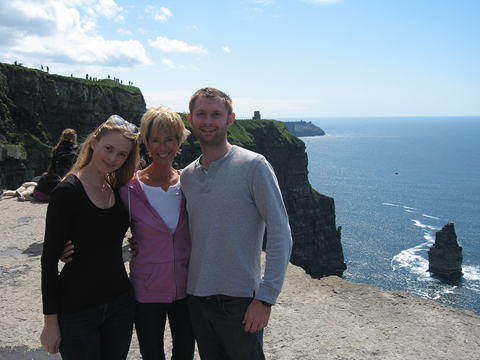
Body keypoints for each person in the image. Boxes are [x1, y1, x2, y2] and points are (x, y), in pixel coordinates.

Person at [181, 87, 293, 360]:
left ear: (230, 119)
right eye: (201, 114)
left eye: (216, 114)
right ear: (190, 119)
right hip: (196, 299)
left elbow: (280, 233)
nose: (208, 121)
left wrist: (266, 298)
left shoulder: (254, 166)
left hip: (241, 304)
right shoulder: (187, 177)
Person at [40, 115, 139, 359]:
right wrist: (50, 323)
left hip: (121, 303)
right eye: (109, 148)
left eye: (121, 154)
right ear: (93, 142)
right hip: (77, 309)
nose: (113, 158)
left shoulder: (116, 188)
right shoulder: (67, 192)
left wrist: (140, 243)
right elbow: (49, 260)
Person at [118, 105, 195, 360]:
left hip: (187, 287)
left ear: (178, 141)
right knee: (152, 355)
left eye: (169, 139)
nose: (163, 147)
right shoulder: (129, 189)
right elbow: (100, 223)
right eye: (156, 140)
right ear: (146, 144)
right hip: (147, 289)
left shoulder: (189, 183)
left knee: (184, 354)